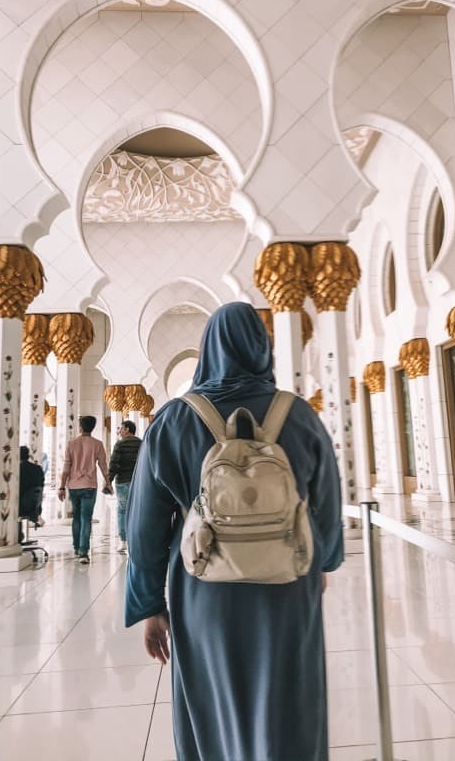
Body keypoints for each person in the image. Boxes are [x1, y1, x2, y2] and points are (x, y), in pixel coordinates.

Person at [125, 302, 344, 761]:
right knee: (289, 695)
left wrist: (149, 604)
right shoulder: (299, 416)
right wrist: (321, 562)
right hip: (287, 580)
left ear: (209, 349)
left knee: (211, 693)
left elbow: (144, 525)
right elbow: (327, 502)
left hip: (203, 584)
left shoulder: (173, 420)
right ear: (261, 348)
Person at [58, 415, 110, 564]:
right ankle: (83, 552)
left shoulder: (72, 444)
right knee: (86, 518)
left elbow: (66, 467)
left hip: (74, 486)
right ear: (92, 427)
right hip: (89, 485)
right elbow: (103, 465)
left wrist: (62, 486)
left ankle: (76, 547)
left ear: (80, 426)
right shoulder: (98, 444)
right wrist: (108, 482)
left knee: (76, 517)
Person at [108, 419, 141, 554]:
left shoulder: (120, 445)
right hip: (138, 482)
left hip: (122, 482)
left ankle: (123, 541)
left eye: (121, 428)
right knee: (137, 510)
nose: (119, 431)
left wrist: (108, 481)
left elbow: (114, 464)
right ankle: (136, 540)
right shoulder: (142, 443)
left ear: (127, 429)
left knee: (122, 511)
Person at [18, 446, 45, 542]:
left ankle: (17, 536)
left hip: (23, 506)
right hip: (36, 505)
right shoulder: (38, 469)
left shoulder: (18, 469)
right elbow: (41, 485)